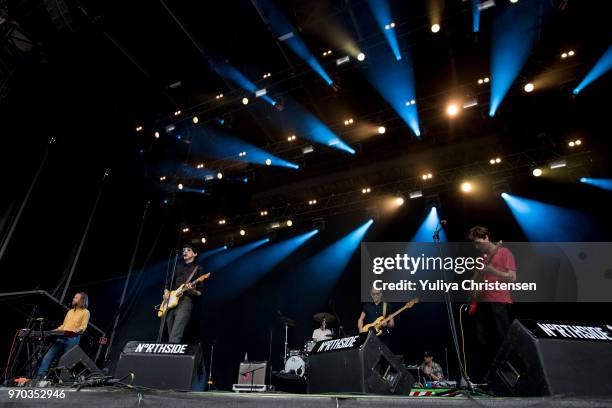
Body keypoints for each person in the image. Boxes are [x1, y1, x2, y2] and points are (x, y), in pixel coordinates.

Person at [467, 226, 516, 381]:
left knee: (501, 340)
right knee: (482, 342)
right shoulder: (481, 258)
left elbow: (512, 278)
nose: (477, 246)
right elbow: (473, 281)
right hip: (482, 303)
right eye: (474, 244)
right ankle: (487, 378)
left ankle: (507, 377)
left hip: (499, 301)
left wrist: (493, 271)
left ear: (487, 236)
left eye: (478, 243)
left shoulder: (504, 252)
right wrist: (471, 288)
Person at [36, 292, 90, 378]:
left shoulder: (86, 312)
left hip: (73, 338)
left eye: (76, 298)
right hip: (62, 337)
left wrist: (76, 331)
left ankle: (62, 380)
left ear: (81, 300)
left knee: (65, 361)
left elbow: (83, 327)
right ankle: (40, 377)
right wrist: (51, 331)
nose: (73, 299)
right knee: (47, 357)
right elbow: (63, 326)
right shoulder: (70, 311)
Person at [163, 245, 204, 343]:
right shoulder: (178, 267)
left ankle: (170, 357)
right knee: (170, 332)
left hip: (185, 301)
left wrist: (192, 290)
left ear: (195, 254)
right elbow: (168, 283)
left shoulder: (198, 269)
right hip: (171, 301)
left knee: (176, 335)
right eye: (184, 250)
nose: (185, 252)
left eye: (188, 250)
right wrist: (166, 292)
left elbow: (200, 293)